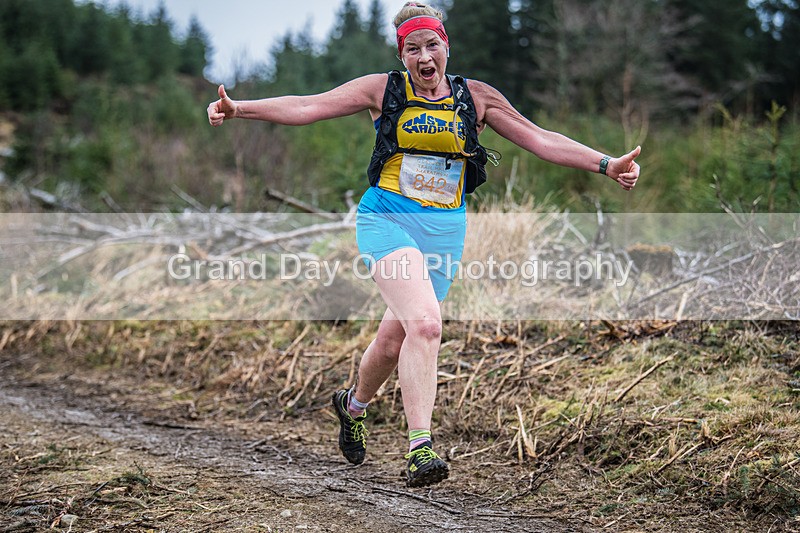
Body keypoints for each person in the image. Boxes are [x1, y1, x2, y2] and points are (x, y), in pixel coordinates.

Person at [207, 2, 641, 488]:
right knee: (428, 326)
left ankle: (352, 406)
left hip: (444, 232)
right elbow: (310, 105)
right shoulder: (383, 90)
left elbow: (540, 140)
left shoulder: (475, 98)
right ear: (403, 54)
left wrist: (607, 164)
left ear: (446, 46)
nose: (424, 57)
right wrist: (239, 108)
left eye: (432, 45)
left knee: (396, 339)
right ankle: (419, 448)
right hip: (387, 220)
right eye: (412, 49)